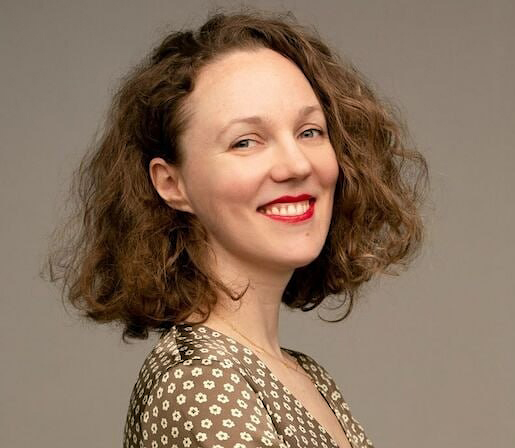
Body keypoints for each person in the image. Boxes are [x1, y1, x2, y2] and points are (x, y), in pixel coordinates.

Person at [44, 8, 429, 448]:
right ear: (172, 184)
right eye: (245, 141)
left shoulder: (303, 375)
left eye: (309, 131)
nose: (296, 164)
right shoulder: (199, 384)